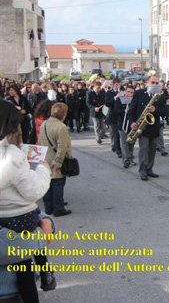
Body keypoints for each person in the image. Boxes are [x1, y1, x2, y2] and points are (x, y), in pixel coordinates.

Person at [0, 99, 55, 302]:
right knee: (24, 268)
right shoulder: (10, 154)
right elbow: (34, 190)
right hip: (18, 220)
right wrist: (43, 168)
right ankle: (46, 274)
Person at [128, 75, 167, 181]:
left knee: (152, 150)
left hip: (154, 127)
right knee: (144, 149)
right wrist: (132, 122)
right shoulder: (139, 93)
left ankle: (149, 169)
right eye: (153, 83)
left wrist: (155, 110)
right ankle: (142, 171)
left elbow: (164, 112)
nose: (155, 85)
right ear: (147, 83)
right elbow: (132, 109)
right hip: (142, 127)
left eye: (157, 83)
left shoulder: (161, 96)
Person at [39, 102, 72, 217]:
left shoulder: (44, 123)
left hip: (45, 158)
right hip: (55, 159)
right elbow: (62, 147)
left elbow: (41, 141)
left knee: (48, 183)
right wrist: (58, 161)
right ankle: (58, 208)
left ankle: (49, 207)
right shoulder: (61, 127)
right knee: (58, 183)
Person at [114, 85, 136, 169]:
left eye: (131, 92)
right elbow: (116, 111)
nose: (129, 94)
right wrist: (124, 111)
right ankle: (125, 161)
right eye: (128, 92)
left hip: (131, 125)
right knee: (124, 143)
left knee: (131, 142)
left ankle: (130, 158)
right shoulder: (119, 99)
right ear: (125, 91)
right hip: (122, 125)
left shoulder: (134, 100)